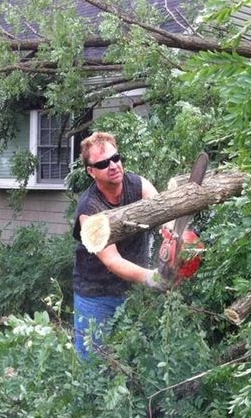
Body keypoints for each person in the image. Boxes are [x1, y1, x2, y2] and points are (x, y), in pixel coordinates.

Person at [72, 132, 165, 359]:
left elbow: (164, 210)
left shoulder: (138, 185)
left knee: (136, 359)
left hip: (133, 289)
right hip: (96, 294)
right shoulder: (89, 210)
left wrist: (172, 236)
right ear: (91, 172)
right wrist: (154, 278)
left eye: (116, 158)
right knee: (93, 365)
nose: (113, 166)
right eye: (103, 163)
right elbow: (112, 261)